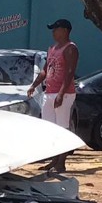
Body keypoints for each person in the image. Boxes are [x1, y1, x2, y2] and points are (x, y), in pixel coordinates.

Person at [27, 18, 79, 173]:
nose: (53, 32)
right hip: (49, 92)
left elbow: (70, 72)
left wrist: (62, 93)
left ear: (64, 30)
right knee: (51, 129)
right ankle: (54, 159)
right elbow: (45, 70)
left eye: (56, 29)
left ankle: (61, 162)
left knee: (62, 127)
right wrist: (34, 85)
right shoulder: (52, 48)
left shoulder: (71, 48)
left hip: (63, 93)